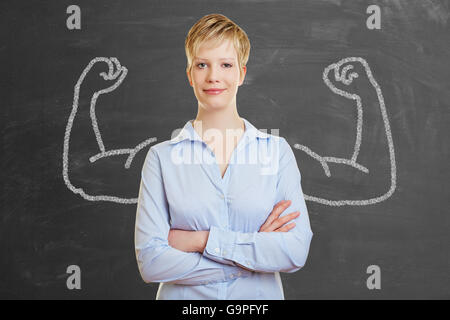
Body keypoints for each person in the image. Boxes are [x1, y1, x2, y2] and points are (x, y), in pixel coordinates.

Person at [134, 13, 313, 300]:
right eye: (202, 64)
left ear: (241, 73)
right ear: (190, 75)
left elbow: (293, 251)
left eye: (226, 65)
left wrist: (199, 240)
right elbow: (152, 263)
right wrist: (253, 257)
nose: (213, 76)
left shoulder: (275, 153)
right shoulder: (162, 159)